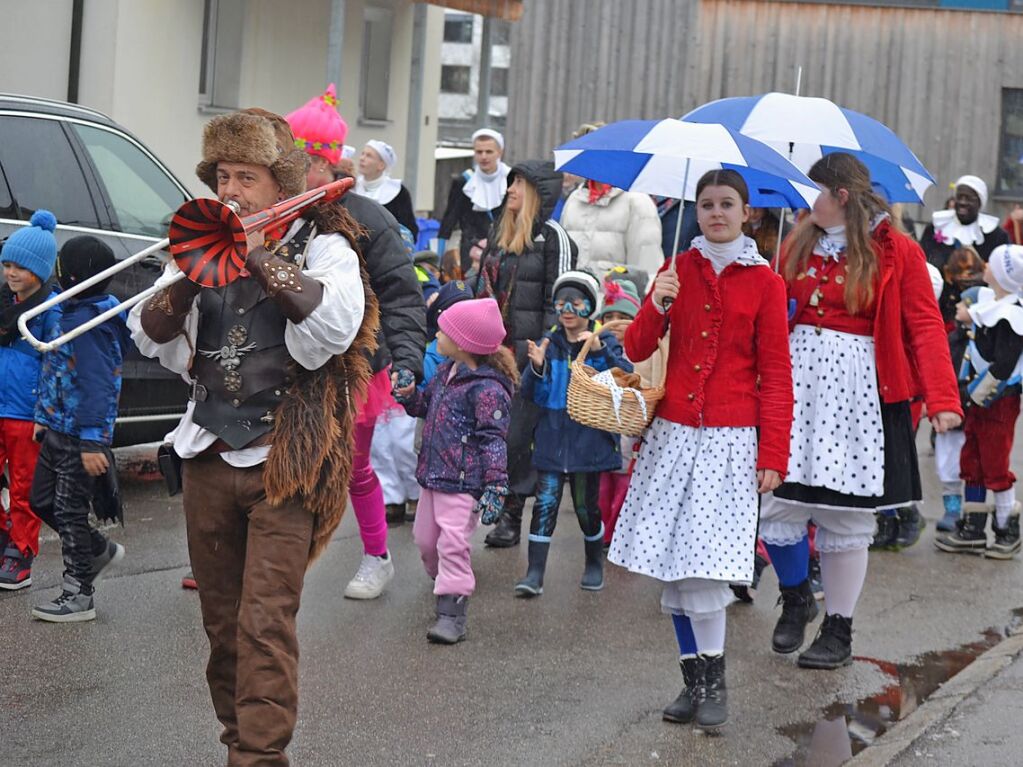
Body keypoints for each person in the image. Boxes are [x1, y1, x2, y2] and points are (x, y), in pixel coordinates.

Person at [129, 108, 377, 766]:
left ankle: (258, 760)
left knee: (265, 622)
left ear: (279, 183)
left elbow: (331, 328)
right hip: (206, 452)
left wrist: (258, 253)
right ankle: (241, 744)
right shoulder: (197, 244)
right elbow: (149, 333)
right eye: (223, 177)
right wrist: (191, 273)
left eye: (246, 177)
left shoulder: (324, 247)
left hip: (284, 462)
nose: (231, 191)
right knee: (223, 626)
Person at [760, 153, 961, 672]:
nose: (807, 201)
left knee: (845, 516)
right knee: (777, 505)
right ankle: (797, 593)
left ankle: (838, 629)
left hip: (859, 395)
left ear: (841, 196)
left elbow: (925, 325)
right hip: (796, 387)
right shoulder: (798, 240)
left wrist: (941, 399)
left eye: (816, 192)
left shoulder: (897, 250)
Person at [608, 169, 793, 731]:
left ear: (746, 213)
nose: (716, 213)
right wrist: (657, 304)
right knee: (674, 564)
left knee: (705, 568)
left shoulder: (767, 283)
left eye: (727, 204)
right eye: (707, 204)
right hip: (672, 435)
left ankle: (716, 684)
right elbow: (638, 346)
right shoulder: (676, 269)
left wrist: (774, 454)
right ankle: (692, 682)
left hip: (731, 441)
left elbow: (777, 375)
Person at [288, 89, 427, 601]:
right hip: (294, 362)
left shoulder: (368, 216)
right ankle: (279, 559)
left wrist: (407, 357)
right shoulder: (281, 214)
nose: (290, 172)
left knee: (350, 465)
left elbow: (403, 294)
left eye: (299, 163)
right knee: (290, 462)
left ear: (323, 163)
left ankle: (377, 557)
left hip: (358, 366)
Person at [396, 298, 517, 643]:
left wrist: (495, 486)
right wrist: (407, 396)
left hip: (463, 482)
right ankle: (444, 582)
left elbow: (494, 441)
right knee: (424, 541)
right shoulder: (445, 372)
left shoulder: (488, 389)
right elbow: (423, 406)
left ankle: (452, 613)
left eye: (445, 330)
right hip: (433, 476)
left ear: (465, 342)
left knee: (452, 544)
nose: (437, 333)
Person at [473, 160, 577, 549]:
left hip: (531, 357)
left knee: (516, 438)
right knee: (491, 432)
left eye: (520, 183)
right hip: (491, 351)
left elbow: (563, 298)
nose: (512, 188)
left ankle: (512, 514)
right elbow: (480, 287)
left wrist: (545, 349)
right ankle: (493, 500)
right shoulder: (500, 233)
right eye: (512, 181)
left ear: (538, 192)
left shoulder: (554, 238)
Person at [29, 236, 130, 621]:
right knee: (40, 501)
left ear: (70, 275)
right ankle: (97, 549)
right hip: (57, 426)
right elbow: (56, 372)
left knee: (68, 510)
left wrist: (93, 441)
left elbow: (99, 386)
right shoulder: (69, 310)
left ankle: (79, 593)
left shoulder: (91, 325)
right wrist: (44, 415)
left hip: (79, 436)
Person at [516, 271, 631, 597]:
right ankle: (534, 573)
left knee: (585, 507)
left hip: (589, 441)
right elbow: (531, 394)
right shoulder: (548, 343)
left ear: (590, 307)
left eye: (576, 302)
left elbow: (627, 379)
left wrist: (597, 350)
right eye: (561, 302)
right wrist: (536, 368)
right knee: (546, 503)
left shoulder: (604, 341)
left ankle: (594, 563)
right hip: (552, 437)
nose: (567, 309)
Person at [935, 244, 1023, 559]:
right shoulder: (989, 302)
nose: (984, 265)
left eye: (992, 264)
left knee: (995, 463)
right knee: (971, 460)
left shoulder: (1012, 314)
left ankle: (1006, 528)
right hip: (977, 401)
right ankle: (973, 528)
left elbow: (1003, 365)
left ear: (1002, 274)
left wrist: (974, 396)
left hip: (998, 402)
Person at [0, 211, 61, 590]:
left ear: (40, 270)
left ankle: (21, 549)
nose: (11, 273)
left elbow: (55, 364)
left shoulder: (49, 310)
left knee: (23, 486)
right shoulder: (4, 303)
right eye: (7, 264)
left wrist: (46, 413)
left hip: (25, 413)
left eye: (20, 267)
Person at [595, 277, 643, 547]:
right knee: (601, 489)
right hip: (603, 432)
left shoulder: (641, 353)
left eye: (622, 317)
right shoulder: (597, 348)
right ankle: (602, 535)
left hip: (629, 434)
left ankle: (616, 537)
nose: (614, 323)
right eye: (609, 316)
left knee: (624, 489)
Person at [438, 128, 511, 274]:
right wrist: (439, 255)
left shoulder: (511, 179)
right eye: (479, 152)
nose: (484, 156)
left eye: (489, 152)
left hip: (504, 250)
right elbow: (449, 219)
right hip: (471, 252)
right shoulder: (464, 182)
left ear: (500, 152)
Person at [919, 175, 1009, 269]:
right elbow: (923, 262)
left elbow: (1002, 270)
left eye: (969, 198)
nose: (962, 202)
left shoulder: (996, 235)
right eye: (959, 197)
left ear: (980, 202)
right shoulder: (935, 227)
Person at [355, 140, 418, 240]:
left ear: (381, 165)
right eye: (362, 154)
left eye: (369, 156)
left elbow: (408, 229)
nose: (362, 158)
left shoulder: (398, 192)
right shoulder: (352, 187)